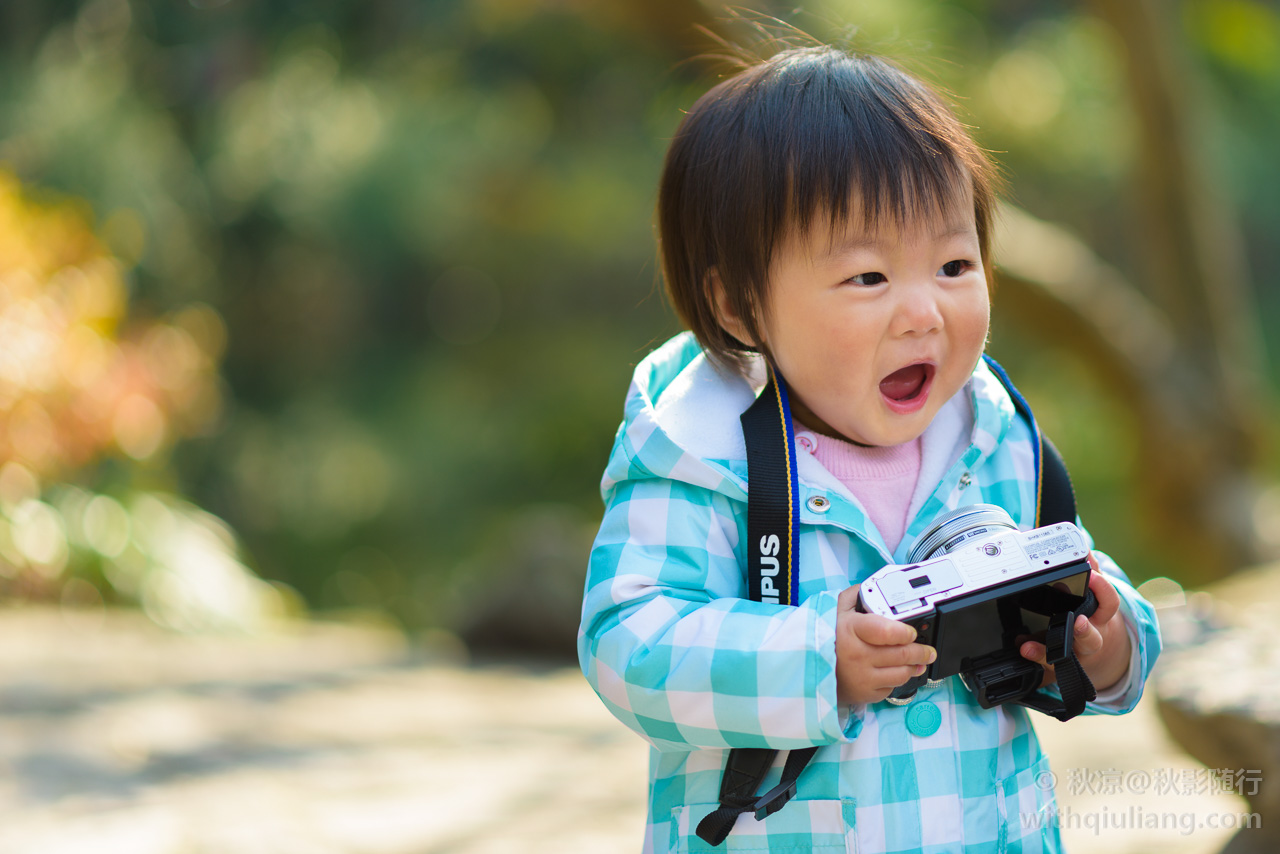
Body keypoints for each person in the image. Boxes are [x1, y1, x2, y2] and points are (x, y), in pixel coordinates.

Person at [578, 43, 1161, 854]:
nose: (924, 311)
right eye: (868, 278)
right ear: (740, 305)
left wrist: (1109, 638)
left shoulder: (990, 432)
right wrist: (814, 658)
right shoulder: (702, 452)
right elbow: (627, 643)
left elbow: (1081, 568)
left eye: (954, 264)